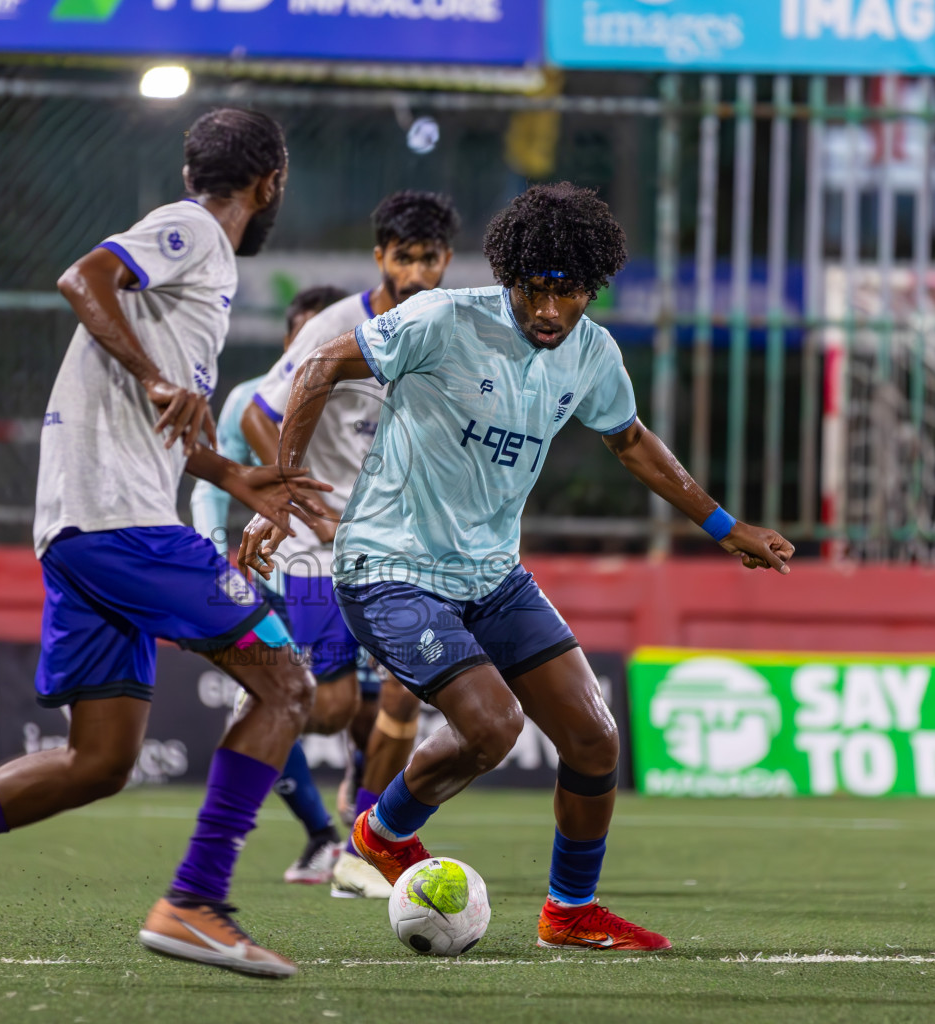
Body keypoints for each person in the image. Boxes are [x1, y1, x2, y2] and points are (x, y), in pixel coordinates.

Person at [0, 108, 335, 980]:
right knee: (287, 682)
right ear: (270, 182)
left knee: (100, 760)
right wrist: (156, 374)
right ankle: (196, 901)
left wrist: (227, 474)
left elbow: (155, 420)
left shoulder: (195, 268)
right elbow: (82, 276)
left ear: (189, 171)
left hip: (87, 526)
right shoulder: (198, 234)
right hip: (119, 525)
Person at [240, 182, 796, 950]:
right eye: (535, 290)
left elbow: (629, 439)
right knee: (493, 725)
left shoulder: (593, 351)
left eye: (568, 295)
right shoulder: (442, 318)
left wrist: (724, 524)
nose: (549, 312)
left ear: (590, 291)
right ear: (510, 277)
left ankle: (568, 911)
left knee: (596, 738)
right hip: (386, 564)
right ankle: (381, 830)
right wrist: (280, 484)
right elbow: (317, 370)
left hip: (491, 575)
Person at [240, 190, 459, 899]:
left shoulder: (454, 329)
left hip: (404, 543)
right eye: (406, 258)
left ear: (448, 259)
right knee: (334, 710)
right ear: (380, 258)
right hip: (320, 549)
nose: (420, 272)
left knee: (406, 691)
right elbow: (255, 415)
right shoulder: (337, 326)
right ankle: (262, 711)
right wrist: (302, 501)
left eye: (431, 258)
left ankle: (362, 847)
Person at [189, 283, 348, 886]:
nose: (316, 346)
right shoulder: (243, 406)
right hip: (279, 581)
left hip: (350, 578)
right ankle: (324, 838)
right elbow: (209, 480)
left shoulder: (372, 398)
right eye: (306, 334)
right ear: (289, 342)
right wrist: (211, 552)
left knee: (344, 711)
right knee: (261, 700)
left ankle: (368, 825)